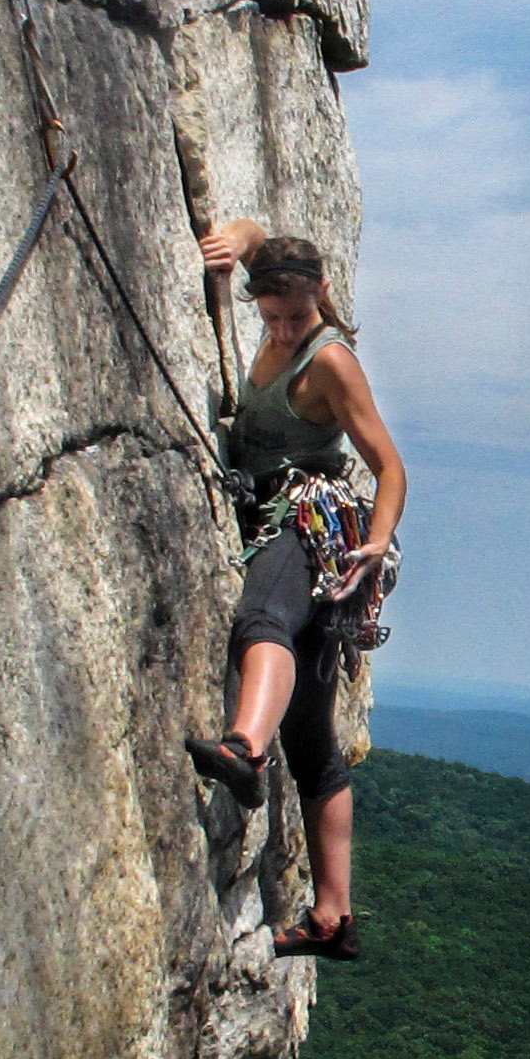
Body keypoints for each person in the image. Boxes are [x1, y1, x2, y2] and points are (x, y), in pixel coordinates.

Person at [182, 221, 406, 961]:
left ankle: (244, 747)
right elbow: (259, 241)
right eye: (271, 316)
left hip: (303, 519)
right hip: (304, 534)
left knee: (263, 619)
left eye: (294, 317)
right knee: (310, 735)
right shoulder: (279, 287)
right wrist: (235, 237)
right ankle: (333, 917)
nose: (281, 329)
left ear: (320, 297)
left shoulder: (329, 360)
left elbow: (389, 464)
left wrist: (376, 541)